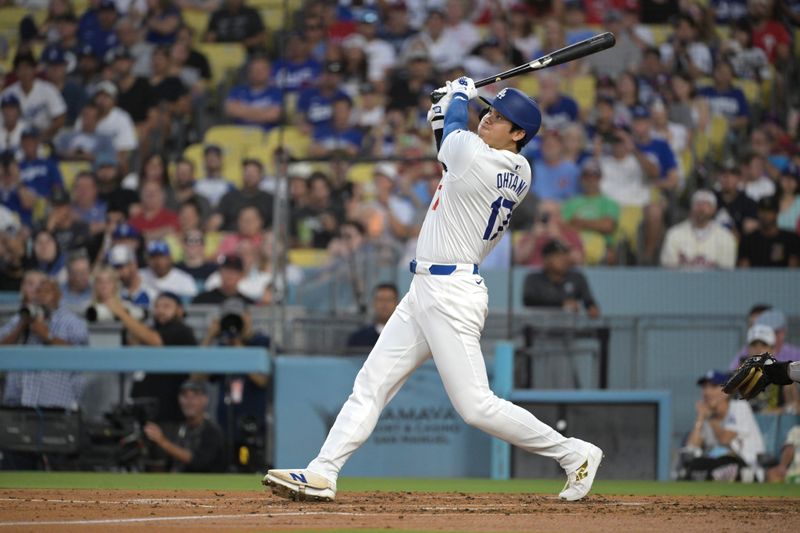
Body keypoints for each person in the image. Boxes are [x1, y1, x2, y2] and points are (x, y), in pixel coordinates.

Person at [264, 80, 603, 502]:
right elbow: (449, 141)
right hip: (425, 288)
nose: (489, 119)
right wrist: (445, 109)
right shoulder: (492, 162)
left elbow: (454, 138)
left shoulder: (495, 162)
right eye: (489, 112)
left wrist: (457, 95)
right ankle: (323, 472)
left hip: (452, 291)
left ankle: (575, 453)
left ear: (519, 134)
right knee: (371, 384)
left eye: (499, 118)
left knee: (476, 406)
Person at [103, 291, 197, 424]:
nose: (160, 310)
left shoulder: (181, 330)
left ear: (180, 310)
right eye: (157, 306)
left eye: (166, 306)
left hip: (168, 410)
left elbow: (155, 341)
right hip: (143, 406)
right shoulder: (152, 329)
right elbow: (133, 343)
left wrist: (122, 314)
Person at [0, 278, 88, 406]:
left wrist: (47, 335)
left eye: (47, 292)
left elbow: (81, 356)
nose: (41, 296)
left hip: (54, 401)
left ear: (59, 295)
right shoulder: (22, 318)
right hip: (18, 399)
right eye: (38, 292)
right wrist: (21, 326)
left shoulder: (72, 322)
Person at [682, 370, 765, 482]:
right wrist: (700, 418)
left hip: (746, 466)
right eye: (704, 387)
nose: (707, 392)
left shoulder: (739, 407)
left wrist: (708, 418)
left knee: (715, 468)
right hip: (717, 464)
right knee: (694, 465)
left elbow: (725, 438)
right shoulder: (707, 417)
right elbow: (691, 448)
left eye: (713, 386)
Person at [142, 380, 227, 472]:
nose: (189, 402)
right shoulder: (177, 428)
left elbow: (198, 462)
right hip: (176, 483)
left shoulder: (212, 431)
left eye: (194, 396)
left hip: (206, 484)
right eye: (185, 396)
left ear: (205, 399)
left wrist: (162, 441)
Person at [522, 239, 600, 318]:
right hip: (540, 325)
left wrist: (591, 307)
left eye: (565, 255)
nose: (564, 259)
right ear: (546, 260)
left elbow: (588, 300)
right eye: (558, 256)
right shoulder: (534, 279)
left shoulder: (577, 278)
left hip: (568, 326)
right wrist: (561, 304)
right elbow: (529, 301)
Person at [660, 190, 736, 270]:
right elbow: (668, 269)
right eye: (698, 204)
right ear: (691, 207)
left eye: (706, 204)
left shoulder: (725, 236)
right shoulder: (674, 234)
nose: (701, 208)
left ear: (714, 209)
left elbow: (726, 274)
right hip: (681, 281)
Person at [738, 195, 800, 268]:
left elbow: (793, 273)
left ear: (777, 212)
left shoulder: (791, 239)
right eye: (762, 211)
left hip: (782, 279)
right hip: (754, 279)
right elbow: (744, 273)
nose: (765, 215)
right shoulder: (748, 240)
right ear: (758, 212)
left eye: (770, 211)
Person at [346, 283, 399, 350]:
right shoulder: (358, 339)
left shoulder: (406, 337)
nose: (384, 304)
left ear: (397, 303)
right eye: (380, 300)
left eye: (389, 300)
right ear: (373, 303)